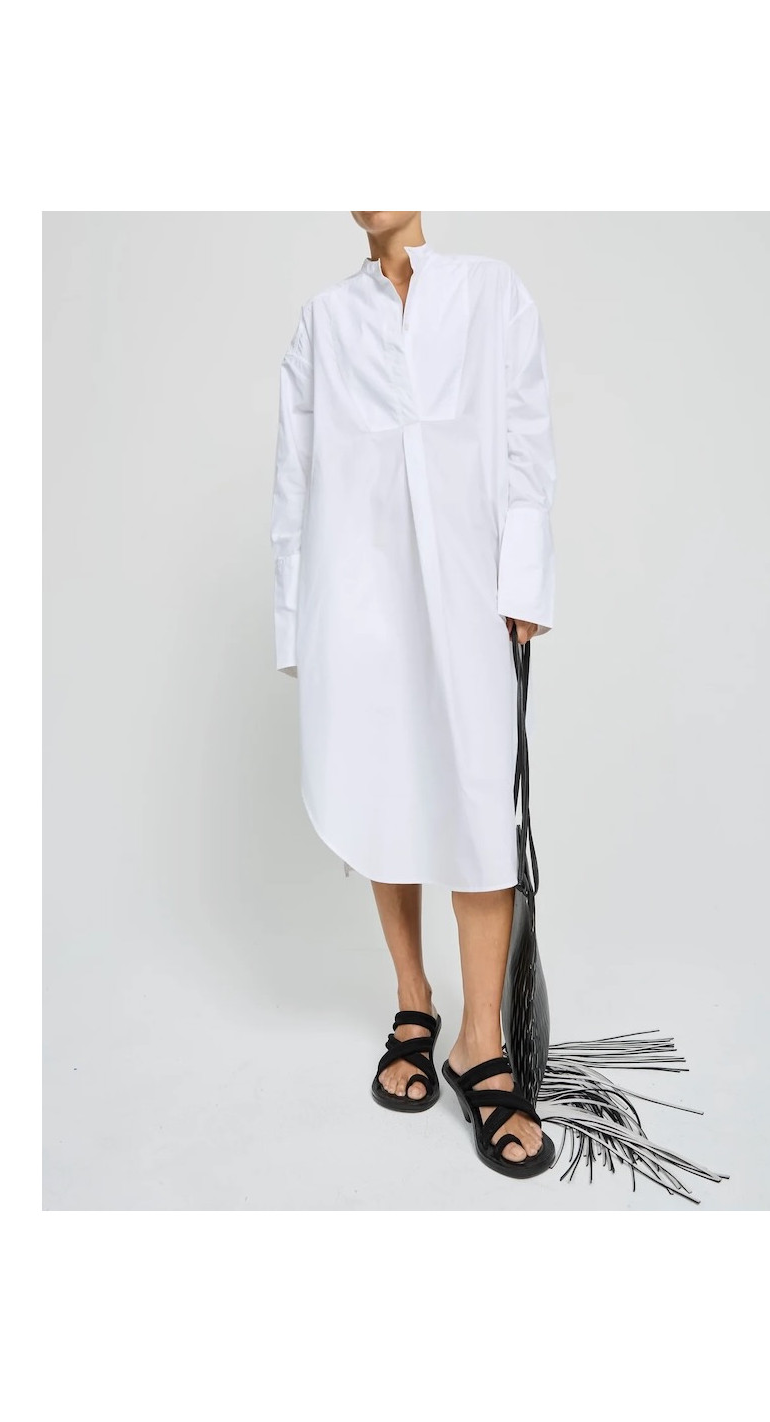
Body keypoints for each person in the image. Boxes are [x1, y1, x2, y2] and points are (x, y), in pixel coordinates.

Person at [269, 211, 558, 1177]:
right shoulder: (323, 320)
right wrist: (296, 622)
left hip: (469, 585)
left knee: (476, 795)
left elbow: (526, 440)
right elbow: (294, 477)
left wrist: (525, 582)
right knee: (380, 784)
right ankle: (413, 1000)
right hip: (356, 595)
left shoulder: (490, 292)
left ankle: (482, 1042)